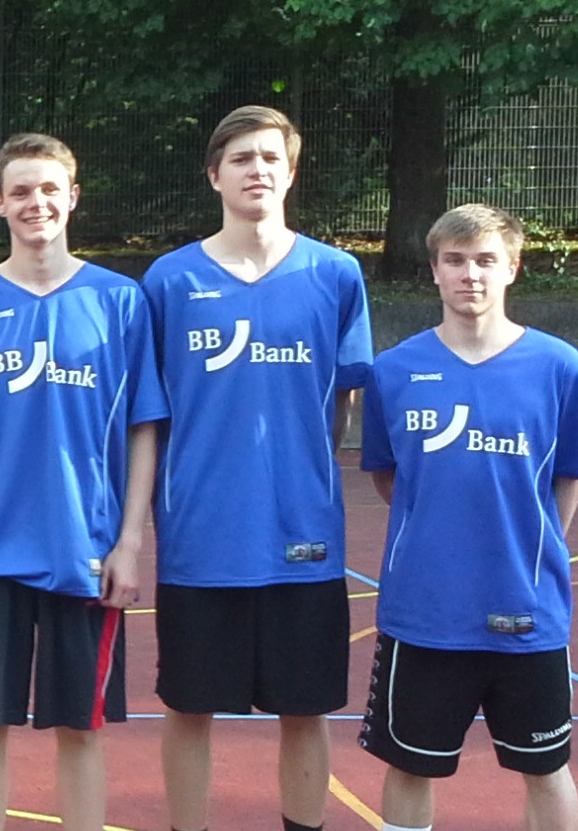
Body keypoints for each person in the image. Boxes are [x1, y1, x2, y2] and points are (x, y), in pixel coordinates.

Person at [0, 132, 166, 831]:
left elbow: (143, 425)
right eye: (20, 190)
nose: (36, 202)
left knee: (80, 728)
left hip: (83, 548)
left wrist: (128, 542)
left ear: (73, 196)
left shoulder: (120, 301)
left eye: (49, 188)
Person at [142, 106, 373, 831]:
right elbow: (147, 412)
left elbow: (343, 401)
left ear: (291, 171)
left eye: (270, 157)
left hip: (301, 536)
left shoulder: (334, 274)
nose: (257, 169)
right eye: (240, 157)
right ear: (214, 174)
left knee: (303, 711)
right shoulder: (168, 281)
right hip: (199, 538)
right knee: (188, 708)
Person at [357, 204, 578, 831]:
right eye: (456, 261)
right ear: (434, 270)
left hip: (527, 608)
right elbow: (389, 475)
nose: (471, 275)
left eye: (487, 260)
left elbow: (569, 474)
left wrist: (528, 545)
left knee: (545, 767)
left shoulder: (558, 366)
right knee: (410, 767)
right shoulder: (393, 371)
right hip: (425, 611)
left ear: (512, 268)